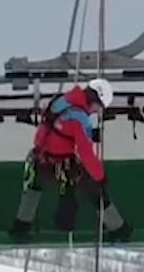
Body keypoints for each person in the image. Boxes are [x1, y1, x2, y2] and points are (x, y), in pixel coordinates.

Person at [11, 78, 132, 244]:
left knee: (33, 189)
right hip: (63, 162)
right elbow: (86, 152)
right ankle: (119, 229)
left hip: (41, 156)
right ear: (94, 100)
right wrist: (100, 176)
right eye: (99, 107)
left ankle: (20, 230)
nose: (97, 112)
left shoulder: (63, 100)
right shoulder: (79, 117)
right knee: (95, 191)